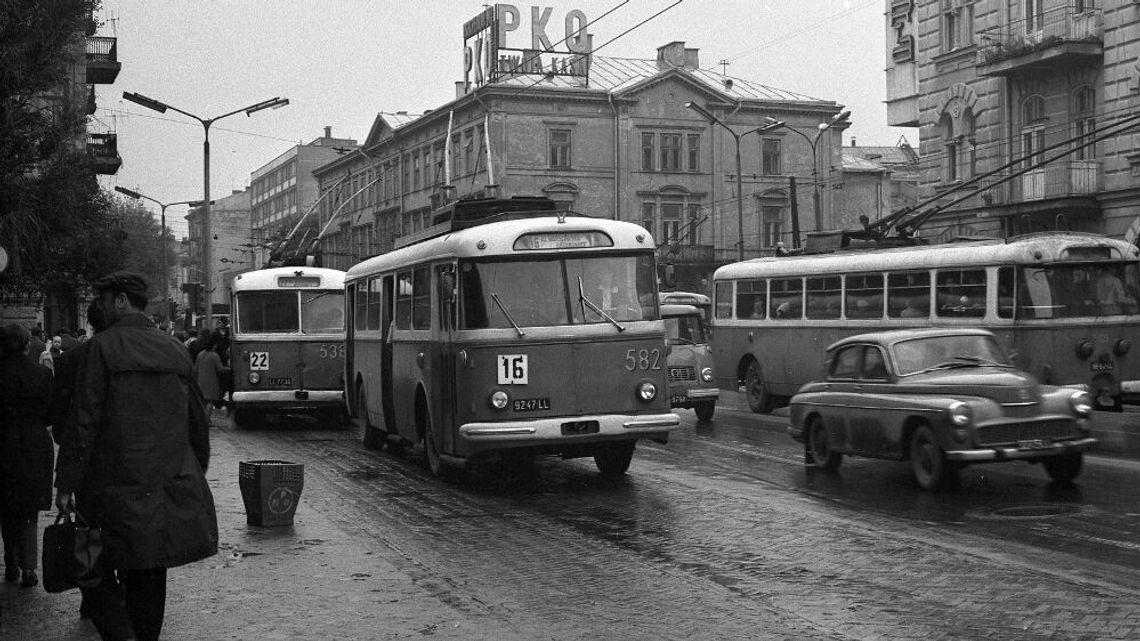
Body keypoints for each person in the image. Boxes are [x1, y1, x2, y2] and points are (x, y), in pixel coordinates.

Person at [54, 271, 217, 641]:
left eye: (105, 300)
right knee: (150, 571)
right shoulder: (175, 349)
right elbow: (197, 424)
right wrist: (191, 472)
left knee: (92, 569)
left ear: (122, 300)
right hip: (164, 486)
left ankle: (121, 635)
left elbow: (84, 422)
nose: (102, 307)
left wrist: (66, 484)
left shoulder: (102, 348)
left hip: (111, 488)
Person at [0, 323, 55, 588]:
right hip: (34, 444)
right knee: (29, 509)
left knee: (6, 508)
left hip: (3, 443)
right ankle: (29, 567)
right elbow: (50, 414)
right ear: (26, 345)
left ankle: (10, 562)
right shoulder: (41, 375)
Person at [195, 331, 231, 412]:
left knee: (203, 402)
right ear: (214, 345)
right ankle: (207, 420)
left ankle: (204, 419)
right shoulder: (214, 356)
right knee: (210, 402)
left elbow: (196, 368)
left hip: (201, 381)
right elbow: (220, 369)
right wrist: (229, 369)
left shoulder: (200, 354)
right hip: (211, 381)